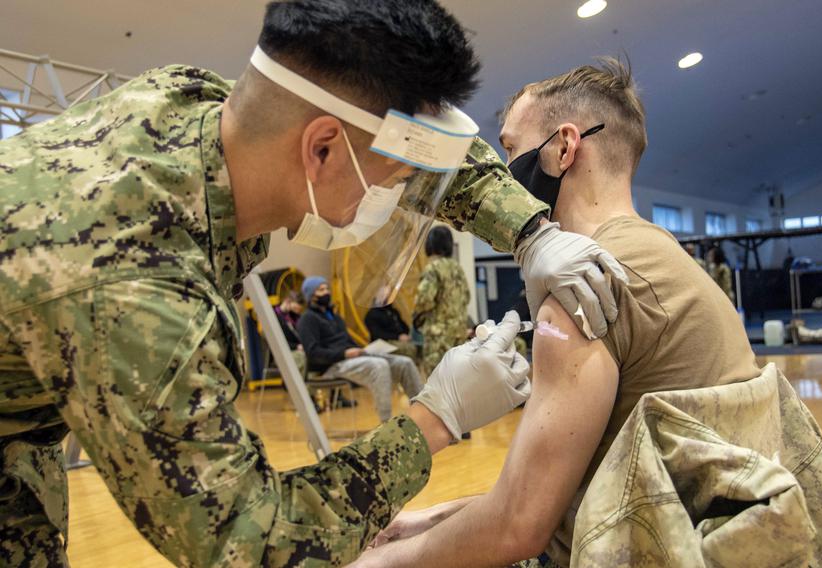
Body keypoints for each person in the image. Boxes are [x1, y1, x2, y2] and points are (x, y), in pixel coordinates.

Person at [0, 1, 626, 565]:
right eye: (393, 178)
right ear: (322, 151)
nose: (395, 193)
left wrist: (530, 231)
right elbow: (250, 541)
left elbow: (414, 144)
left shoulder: (194, 107)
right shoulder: (131, 287)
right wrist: (435, 418)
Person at [354, 58, 766, 568]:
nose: (505, 173)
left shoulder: (581, 292)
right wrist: (426, 520)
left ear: (565, 147)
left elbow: (520, 527)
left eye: (509, 148)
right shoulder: (660, 251)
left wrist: (377, 563)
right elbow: (568, 499)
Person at [297, 276, 423, 422]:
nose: (326, 292)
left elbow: (348, 343)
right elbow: (313, 353)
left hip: (351, 358)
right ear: (311, 295)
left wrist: (363, 350)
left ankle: (422, 412)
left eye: (327, 288)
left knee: (405, 363)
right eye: (321, 290)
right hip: (331, 365)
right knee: (379, 365)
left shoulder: (336, 318)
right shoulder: (307, 319)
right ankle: (386, 423)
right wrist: (344, 354)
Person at [413, 226, 470, 376]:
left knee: (437, 382)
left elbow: (423, 300)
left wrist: (418, 316)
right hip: (459, 334)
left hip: (438, 338)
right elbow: (467, 297)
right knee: (458, 380)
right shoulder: (458, 268)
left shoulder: (433, 268)